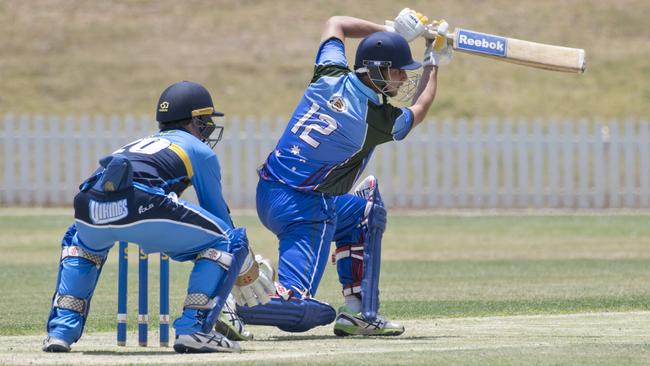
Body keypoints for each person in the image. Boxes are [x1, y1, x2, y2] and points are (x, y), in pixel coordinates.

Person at [236, 10, 451, 336]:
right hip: (306, 208)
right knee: (299, 309)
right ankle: (233, 295)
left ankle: (359, 313)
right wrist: (432, 61)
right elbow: (419, 109)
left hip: (269, 190)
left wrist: (392, 32)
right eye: (398, 72)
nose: (404, 79)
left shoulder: (330, 73)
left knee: (364, 211)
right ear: (377, 72)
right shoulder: (375, 119)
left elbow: (335, 23)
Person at [42, 81, 274, 353]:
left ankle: (61, 331)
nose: (209, 127)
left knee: (81, 244)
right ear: (194, 121)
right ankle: (194, 329)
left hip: (89, 204)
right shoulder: (199, 150)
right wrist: (241, 261)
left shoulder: (139, 141)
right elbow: (217, 215)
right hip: (140, 203)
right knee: (227, 241)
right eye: (206, 120)